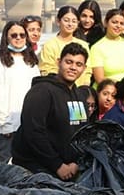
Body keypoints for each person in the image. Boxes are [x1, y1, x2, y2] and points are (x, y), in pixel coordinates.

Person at [11, 42, 90, 179]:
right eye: (69, 62)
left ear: (84, 68)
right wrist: (57, 165)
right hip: (37, 168)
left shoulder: (80, 96)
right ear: (59, 62)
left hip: (69, 168)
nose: (73, 68)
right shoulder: (41, 91)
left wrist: (77, 163)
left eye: (78, 64)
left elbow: (80, 132)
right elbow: (34, 132)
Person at [0, 21, 40, 165]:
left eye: (22, 35)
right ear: (7, 38)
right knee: (2, 159)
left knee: (27, 161)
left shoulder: (31, 63)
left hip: (28, 123)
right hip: (9, 124)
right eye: (14, 35)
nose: (18, 38)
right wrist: (4, 123)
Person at [39, 6, 91, 86]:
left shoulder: (83, 45)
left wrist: (85, 87)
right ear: (58, 21)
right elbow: (46, 70)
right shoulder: (50, 45)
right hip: (57, 88)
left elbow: (87, 70)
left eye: (74, 21)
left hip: (80, 90)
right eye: (66, 20)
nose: (70, 24)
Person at [89, 8, 124, 85]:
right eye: (114, 22)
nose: (118, 26)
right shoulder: (97, 48)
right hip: (107, 91)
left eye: (121, 23)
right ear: (106, 23)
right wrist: (120, 87)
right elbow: (99, 79)